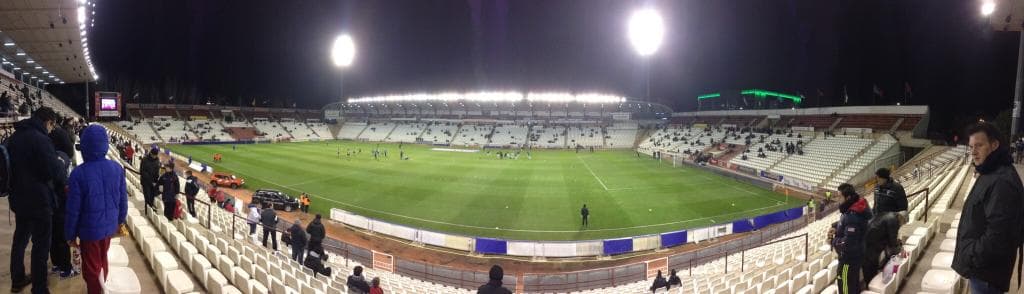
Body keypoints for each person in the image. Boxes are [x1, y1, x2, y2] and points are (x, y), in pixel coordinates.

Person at [952, 122, 1024, 293]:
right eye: (971, 147)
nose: (973, 152)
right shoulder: (992, 171)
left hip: (986, 274)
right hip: (984, 270)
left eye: (979, 145)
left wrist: (970, 255)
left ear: (994, 145)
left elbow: (998, 236)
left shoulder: (1001, 181)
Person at [64, 125, 128, 294]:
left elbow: (73, 210)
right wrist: (119, 221)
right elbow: (123, 201)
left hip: (89, 232)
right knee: (102, 259)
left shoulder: (78, 174)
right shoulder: (117, 168)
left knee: (91, 267)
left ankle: (97, 291)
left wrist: (70, 235)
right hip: (108, 228)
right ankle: (102, 286)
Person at [7, 107, 63, 293]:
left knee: (20, 240)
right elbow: (53, 172)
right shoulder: (41, 139)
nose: (51, 129)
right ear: (47, 121)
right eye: (51, 125)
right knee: (41, 245)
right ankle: (39, 288)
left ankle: (17, 279)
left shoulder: (13, 138)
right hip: (39, 201)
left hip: (18, 198)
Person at [830, 183, 872, 294]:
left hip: (848, 259)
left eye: (839, 196)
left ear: (848, 197)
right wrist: (837, 227)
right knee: (853, 283)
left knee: (845, 285)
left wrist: (832, 241)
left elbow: (848, 244)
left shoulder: (852, 215)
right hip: (857, 254)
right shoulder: (856, 206)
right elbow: (849, 225)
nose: (837, 199)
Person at [48, 118, 76, 279]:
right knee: (61, 236)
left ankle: (57, 263)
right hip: (59, 202)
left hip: (49, 202)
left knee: (53, 235)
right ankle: (65, 267)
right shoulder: (61, 159)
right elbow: (64, 183)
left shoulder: (49, 156)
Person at [862, 210, 901, 284]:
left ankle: (871, 283)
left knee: (871, 265)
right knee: (870, 265)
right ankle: (871, 284)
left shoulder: (887, 215)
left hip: (871, 242)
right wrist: (897, 246)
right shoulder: (892, 220)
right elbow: (892, 239)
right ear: (901, 218)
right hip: (872, 243)